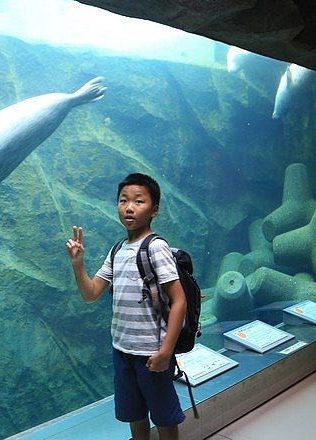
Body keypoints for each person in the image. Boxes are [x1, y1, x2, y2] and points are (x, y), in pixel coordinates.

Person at [65, 173, 187, 440]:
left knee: (164, 416)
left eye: (139, 201)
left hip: (152, 352)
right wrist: (78, 264)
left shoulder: (155, 248)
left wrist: (166, 352)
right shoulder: (117, 250)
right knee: (134, 414)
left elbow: (179, 301)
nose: (129, 207)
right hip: (122, 349)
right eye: (123, 200)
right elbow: (91, 293)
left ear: (154, 210)